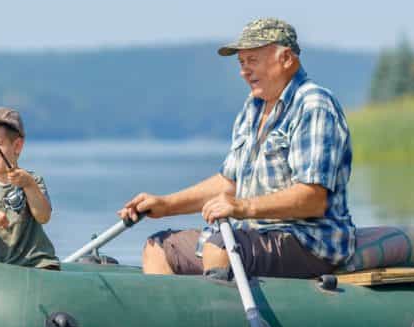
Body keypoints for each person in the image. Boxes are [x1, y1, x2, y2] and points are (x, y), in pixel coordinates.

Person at [120, 17, 355, 278]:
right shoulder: (253, 108)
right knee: (158, 247)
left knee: (219, 246)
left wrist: (242, 207)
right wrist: (166, 204)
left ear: (286, 58)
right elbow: (229, 183)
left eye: (252, 61)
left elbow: (312, 200)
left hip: (310, 242)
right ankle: (173, 318)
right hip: (253, 235)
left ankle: (218, 316)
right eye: (241, 63)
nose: (244, 71)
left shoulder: (314, 105)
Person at [0, 107, 60, 270]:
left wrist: (28, 185)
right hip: (5, 268)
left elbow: (43, 217)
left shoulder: (33, 179)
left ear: (17, 146)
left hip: (40, 264)